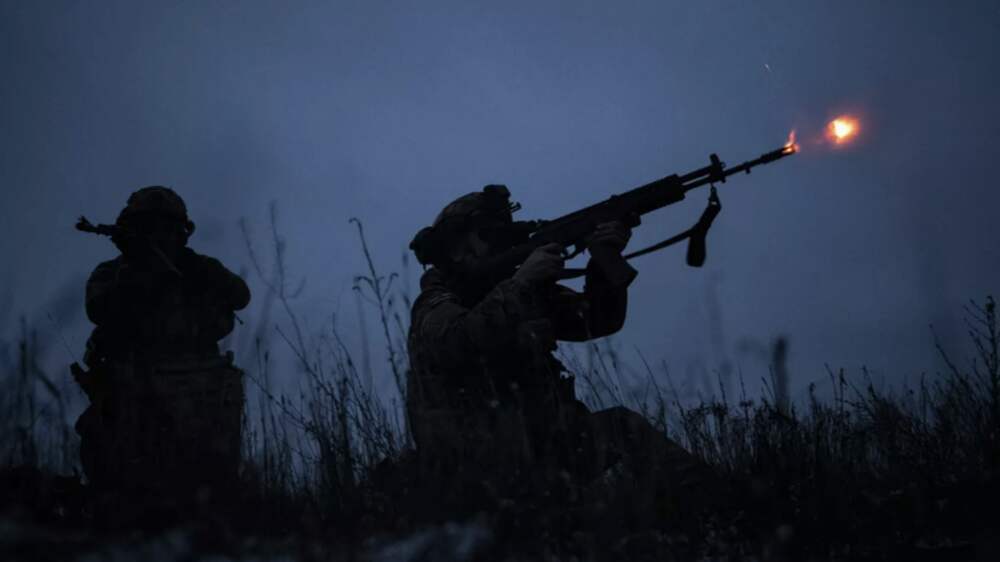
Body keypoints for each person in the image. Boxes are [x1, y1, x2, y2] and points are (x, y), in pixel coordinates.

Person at [405, 185, 716, 524]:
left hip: (543, 451)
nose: (499, 242)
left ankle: (717, 508)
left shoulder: (522, 291)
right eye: (487, 234)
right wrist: (522, 283)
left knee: (622, 428)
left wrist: (603, 258)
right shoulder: (437, 301)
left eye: (503, 233)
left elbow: (597, 320)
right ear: (456, 250)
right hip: (477, 468)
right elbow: (457, 341)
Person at [74, 186, 250, 499]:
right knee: (119, 478)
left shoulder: (199, 267)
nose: (159, 236)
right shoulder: (114, 272)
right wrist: (140, 275)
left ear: (181, 233)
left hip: (197, 388)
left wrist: (193, 271)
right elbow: (97, 308)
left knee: (207, 481)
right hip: (130, 386)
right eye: (149, 227)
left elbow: (240, 295)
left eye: (166, 228)